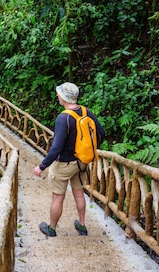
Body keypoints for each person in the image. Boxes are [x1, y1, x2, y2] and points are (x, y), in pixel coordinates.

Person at [33, 82, 105, 237]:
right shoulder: (87, 112)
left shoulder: (63, 118)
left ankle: (51, 229)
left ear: (64, 97)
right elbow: (101, 133)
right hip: (81, 163)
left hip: (64, 164)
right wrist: (87, 149)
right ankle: (82, 225)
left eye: (59, 94)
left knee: (58, 197)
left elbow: (56, 148)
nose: (57, 96)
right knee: (79, 193)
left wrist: (42, 166)